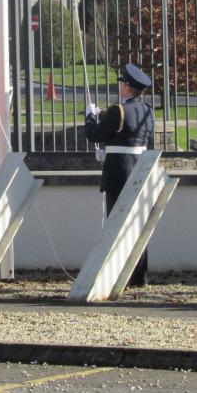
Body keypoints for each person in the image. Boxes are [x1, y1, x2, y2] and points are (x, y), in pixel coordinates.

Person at [84, 63, 154, 287]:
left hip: (119, 173)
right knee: (138, 223)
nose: (120, 86)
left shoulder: (118, 110)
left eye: (122, 83)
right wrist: (109, 150)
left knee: (117, 223)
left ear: (127, 88)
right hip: (139, 169)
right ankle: (139, 276)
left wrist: (90, 116)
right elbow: (131, 139)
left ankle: (116, 273)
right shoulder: (147, 111)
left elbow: (95, 134)